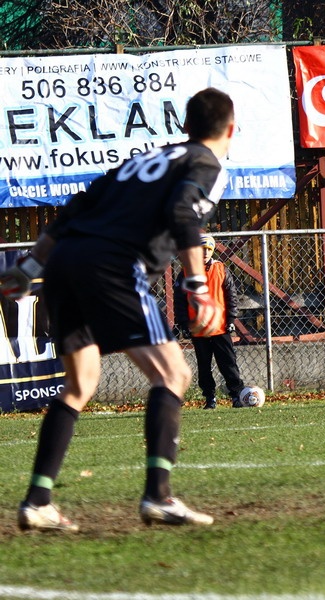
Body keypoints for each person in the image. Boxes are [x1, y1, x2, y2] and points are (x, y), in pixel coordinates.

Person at [0, 87, 235, 532]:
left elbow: (78, 207)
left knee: (80, 383)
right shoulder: (205, 162)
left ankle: (38, 501)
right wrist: (198, 285)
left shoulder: (141, 160)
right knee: (173, 375)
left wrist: (30, 265)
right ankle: (158, 497)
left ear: (186, 126)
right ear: (231, 127)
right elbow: (183, 214)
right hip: (112, 264)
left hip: (66, 261)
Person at [174, 234, 245, 409]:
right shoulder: (185, 272)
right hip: (199, 329)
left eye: (208, 250)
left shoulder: (222, 269)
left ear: (212, 251)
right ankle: (210, 398)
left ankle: (236, 395)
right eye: (201, 249)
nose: (205, 253)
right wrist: (184, 323)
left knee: (228, 363)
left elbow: (231, 297)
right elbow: (180, 301)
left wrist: (231, 319)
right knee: (204, 366)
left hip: (221, 327)